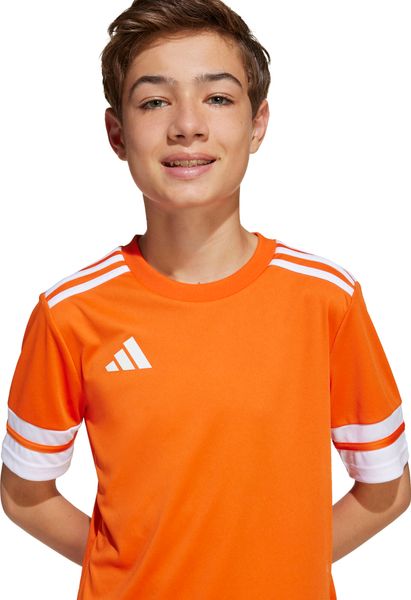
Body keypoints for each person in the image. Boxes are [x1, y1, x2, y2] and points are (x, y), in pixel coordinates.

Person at [1, 1, 410, 598]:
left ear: (258, 123)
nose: (187, 125)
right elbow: (24, 493)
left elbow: (387, 487)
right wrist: (141, 568)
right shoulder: (69, 313)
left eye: (217, 97)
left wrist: (273, 568)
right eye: (154, 102)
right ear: (116, 133)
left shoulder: (327, 300)